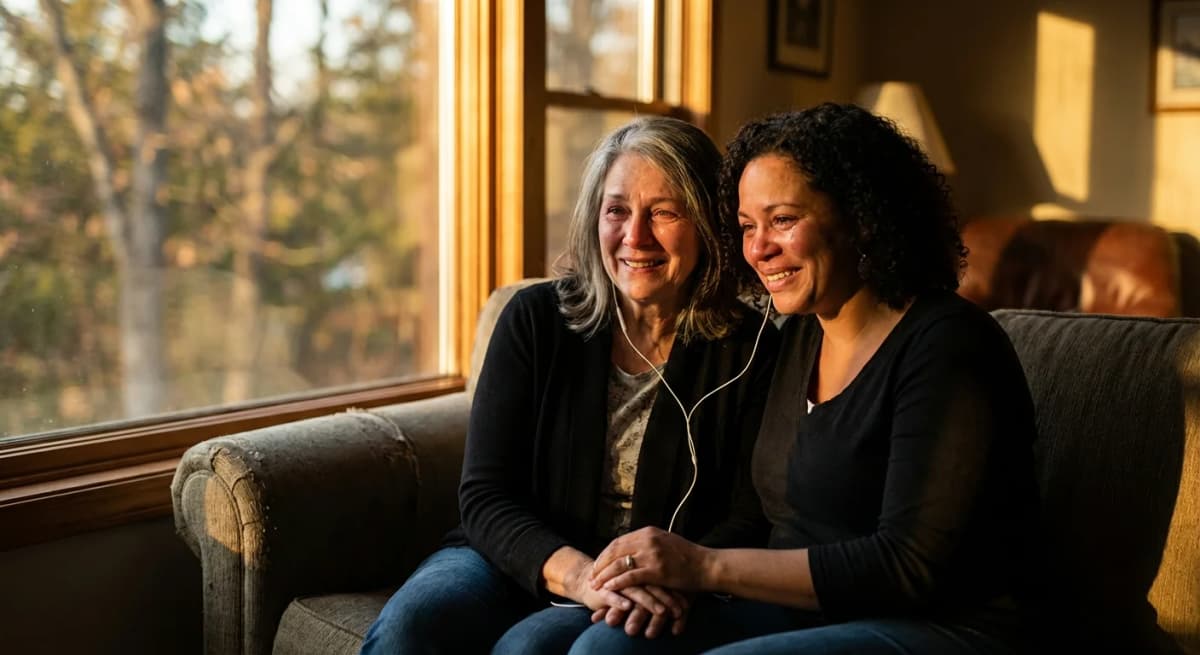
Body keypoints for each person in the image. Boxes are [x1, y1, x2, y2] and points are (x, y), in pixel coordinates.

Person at [584, 103, 1042, 655]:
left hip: (942, 624)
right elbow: (761, 513)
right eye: (748, 227)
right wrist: (668, 576)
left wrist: (703, 566)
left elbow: (908, 566)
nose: (758, 249)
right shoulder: (797, 335)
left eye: (783, 220)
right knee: (606, 649)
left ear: (861, 218)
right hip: (800, 612)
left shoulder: (949, 346)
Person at [359, 115, 778, 655]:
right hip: (507, 558)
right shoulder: (534, 320)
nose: (636, 236)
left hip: (653, 583)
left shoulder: (749, 350)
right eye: (617, 210)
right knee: (410, 628)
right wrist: (580, 576)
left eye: (665, 212)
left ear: (707, 224)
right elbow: (485, 496)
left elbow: (750, 515)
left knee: (529, 648)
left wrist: (664, 575)